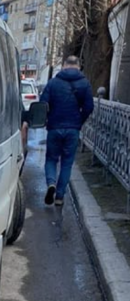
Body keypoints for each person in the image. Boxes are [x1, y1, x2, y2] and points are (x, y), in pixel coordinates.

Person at [40, 55, 94, 206]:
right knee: (67, 163)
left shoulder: (53, 83)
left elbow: (43, 104)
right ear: (78, 66)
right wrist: (79, 121)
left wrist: (47, 119)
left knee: (51, 159)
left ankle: (51, 183)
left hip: (54, 127)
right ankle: (59, 197)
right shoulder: (85, 83)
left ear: (64, 65)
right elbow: (89, 107)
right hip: (73, 129)